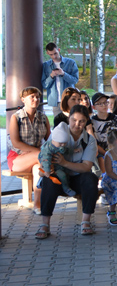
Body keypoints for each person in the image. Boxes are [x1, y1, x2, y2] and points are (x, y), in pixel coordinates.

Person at [36, 105, 100, 239]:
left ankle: (86, 221)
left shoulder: (89, 140)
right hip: (59, 177)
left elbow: (86, 167)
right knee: (49, 181)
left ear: (86, 122)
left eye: (82, 121)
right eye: (74, 120)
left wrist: (64, 163)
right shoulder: (58, 133)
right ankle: (45, 224)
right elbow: (45, 154)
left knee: (90, 178)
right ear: (68, 118)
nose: (77, 124)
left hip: (77, 179)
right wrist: (46, 169)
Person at [7, 86, 50, 214]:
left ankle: (37, 205)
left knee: (38, 169)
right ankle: (55, 180)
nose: (36, 99)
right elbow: (16, 143)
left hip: (37, 158)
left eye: (37, 97)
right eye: (32, 97)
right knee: (42, 157)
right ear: (23, 99)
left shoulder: (43, 117)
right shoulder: (16, 117)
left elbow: (49, 140)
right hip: (17, 158)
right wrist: (38, 152)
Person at [36, 125, 77, 197]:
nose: (63, 145)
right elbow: (46, 160)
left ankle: (67, 185)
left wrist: (73, 151)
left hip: (58, 164)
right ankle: (66, 188)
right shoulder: (48, 148)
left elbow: (65, 150)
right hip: (49, 166)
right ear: (53, 140)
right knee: (62, 175)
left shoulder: (60, 145)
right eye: (61, 143)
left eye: (65, 143)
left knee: (66, 173)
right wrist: (47, 170)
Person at [41, 42, 79, 115]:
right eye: (51, 54)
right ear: (47, 53)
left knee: (72, 120)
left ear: (59, 50)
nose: (54, 56)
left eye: (55, 53)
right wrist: (51, 76)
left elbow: (75, 80)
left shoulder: (70, 63)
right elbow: (44, 85)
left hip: (69, 99)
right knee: (58, 121)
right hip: (55, 101)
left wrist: (63, 74)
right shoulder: (46, 65)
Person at [90, 92, 117, 174]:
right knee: (101, 159)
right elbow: (93, 142)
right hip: (101, 151)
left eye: (105, 102)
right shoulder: (92, 121)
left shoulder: (115, 118)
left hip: (116, 149)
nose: (104, 105)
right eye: (100, 104)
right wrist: (106, 153)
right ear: (94, 107)